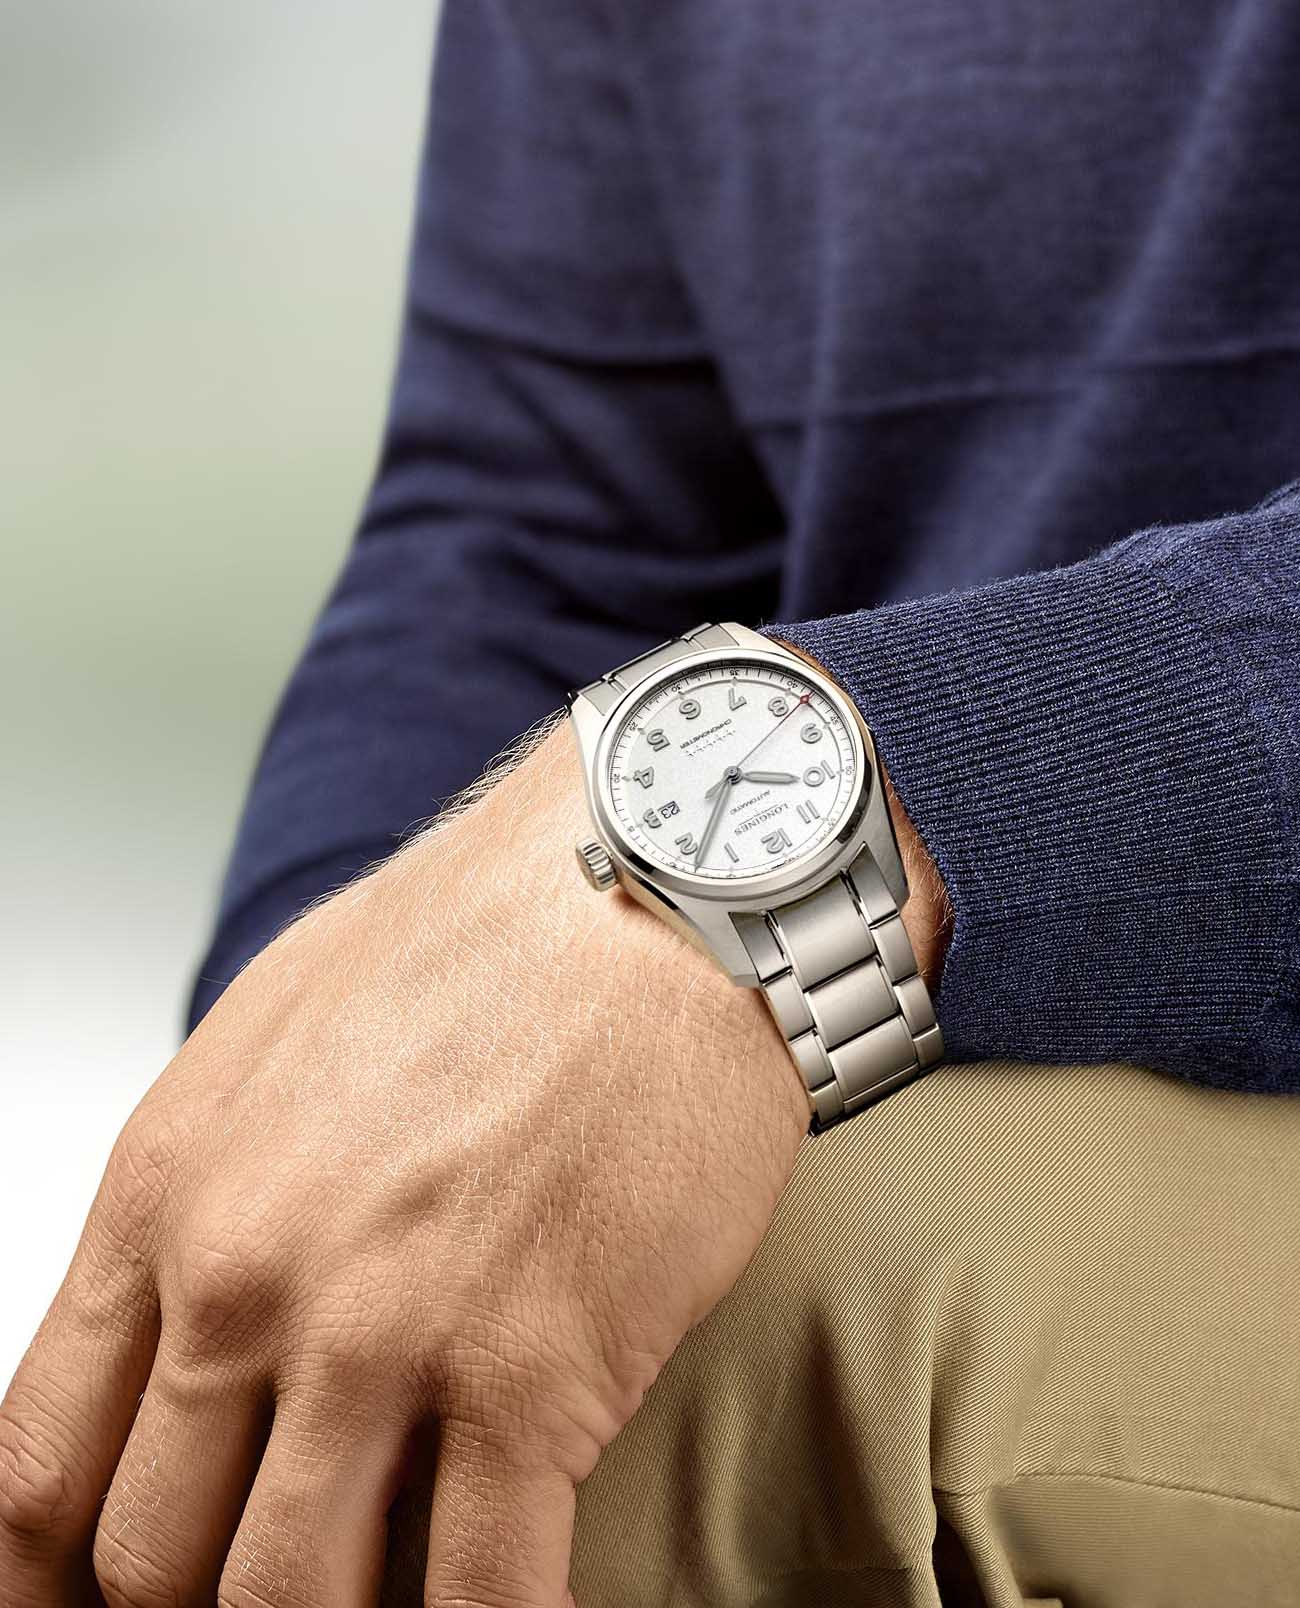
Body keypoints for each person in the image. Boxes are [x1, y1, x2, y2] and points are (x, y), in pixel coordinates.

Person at [3, 1, 1299, 1603]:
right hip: (878, 984)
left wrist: (885, 820)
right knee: (266, 1370)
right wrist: (313, 1130)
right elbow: (544, 517)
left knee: (686, 1380)